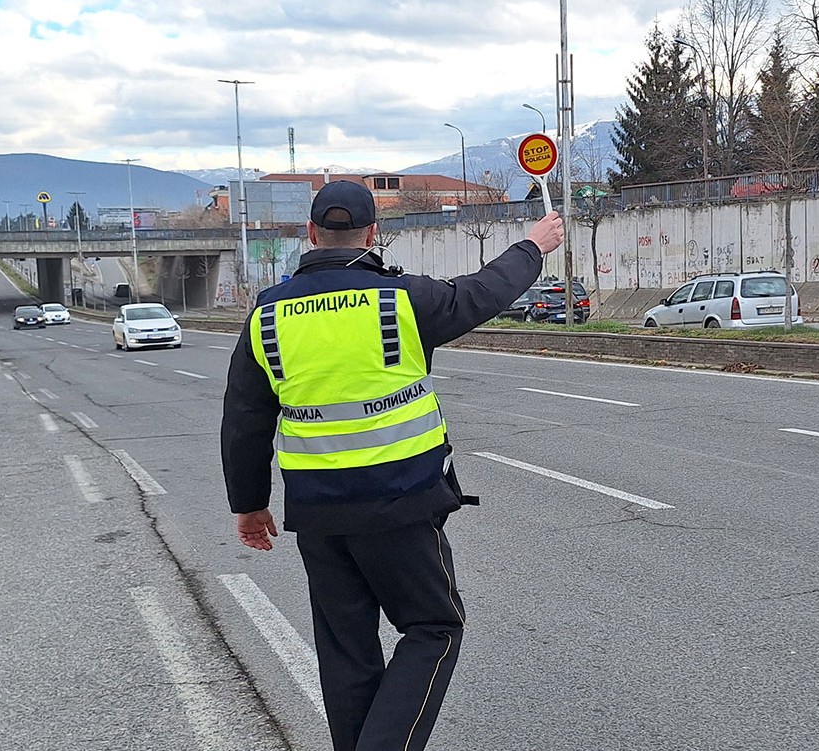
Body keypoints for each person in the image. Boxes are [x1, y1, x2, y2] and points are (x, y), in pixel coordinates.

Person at [220, 180, 564, 751]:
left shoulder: (266, 315)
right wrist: (533, 244)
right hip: (401, 502)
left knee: (346, 651)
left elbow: (245, 416)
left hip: (319, 514)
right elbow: (483, 292)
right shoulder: (400, 299)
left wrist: (249, 504)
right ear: (373, 234)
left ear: (310, 235)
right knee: (433, 628)